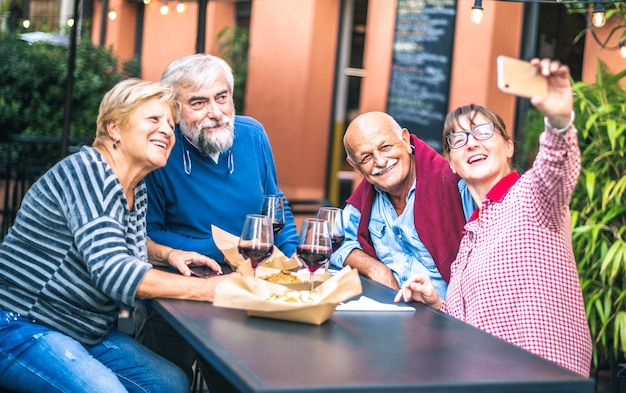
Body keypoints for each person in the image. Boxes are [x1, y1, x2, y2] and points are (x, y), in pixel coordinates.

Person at [0, 78, 234, 392]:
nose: (166, 129)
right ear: (115, 128)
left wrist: (167, 253)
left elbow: (116, 243)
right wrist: (210, 289)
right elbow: (115, 272)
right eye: (153, 119)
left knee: (170, 384)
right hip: (21, 323)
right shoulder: (88, 172)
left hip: (81, 329)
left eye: (170, 123)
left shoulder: (134, 187)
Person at [395, 58, 592, 376]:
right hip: (487, 376)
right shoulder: (471, 233)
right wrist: (435, 303)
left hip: (541, 378)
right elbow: (472, 325)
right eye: (457, 140)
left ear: (509, 146)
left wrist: (558, 120)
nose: (471, 142)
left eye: (483, 131)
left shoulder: (532, 195)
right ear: (453, 165)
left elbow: (557, 163)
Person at [134, 53, 298, 385]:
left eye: (222, 97)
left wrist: (293, 259)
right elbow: (147, 235)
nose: (217, 112)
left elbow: (275, 206)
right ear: (175, 109)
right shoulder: (159, 148)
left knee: (246, 381)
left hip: (251, 287)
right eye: (199, 102)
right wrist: (232, 248)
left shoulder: (252, 135)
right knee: (164, 381)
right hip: (179, 292)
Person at [329, 111, 475, 297]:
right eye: (366, 157)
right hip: (386, 312)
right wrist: (375, 268)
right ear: (355, 165)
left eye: (385, 147)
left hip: (444, 317)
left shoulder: (455, 185)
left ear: (405, 140)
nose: (380, 161)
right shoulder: (366, 196)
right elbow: (330, 240)